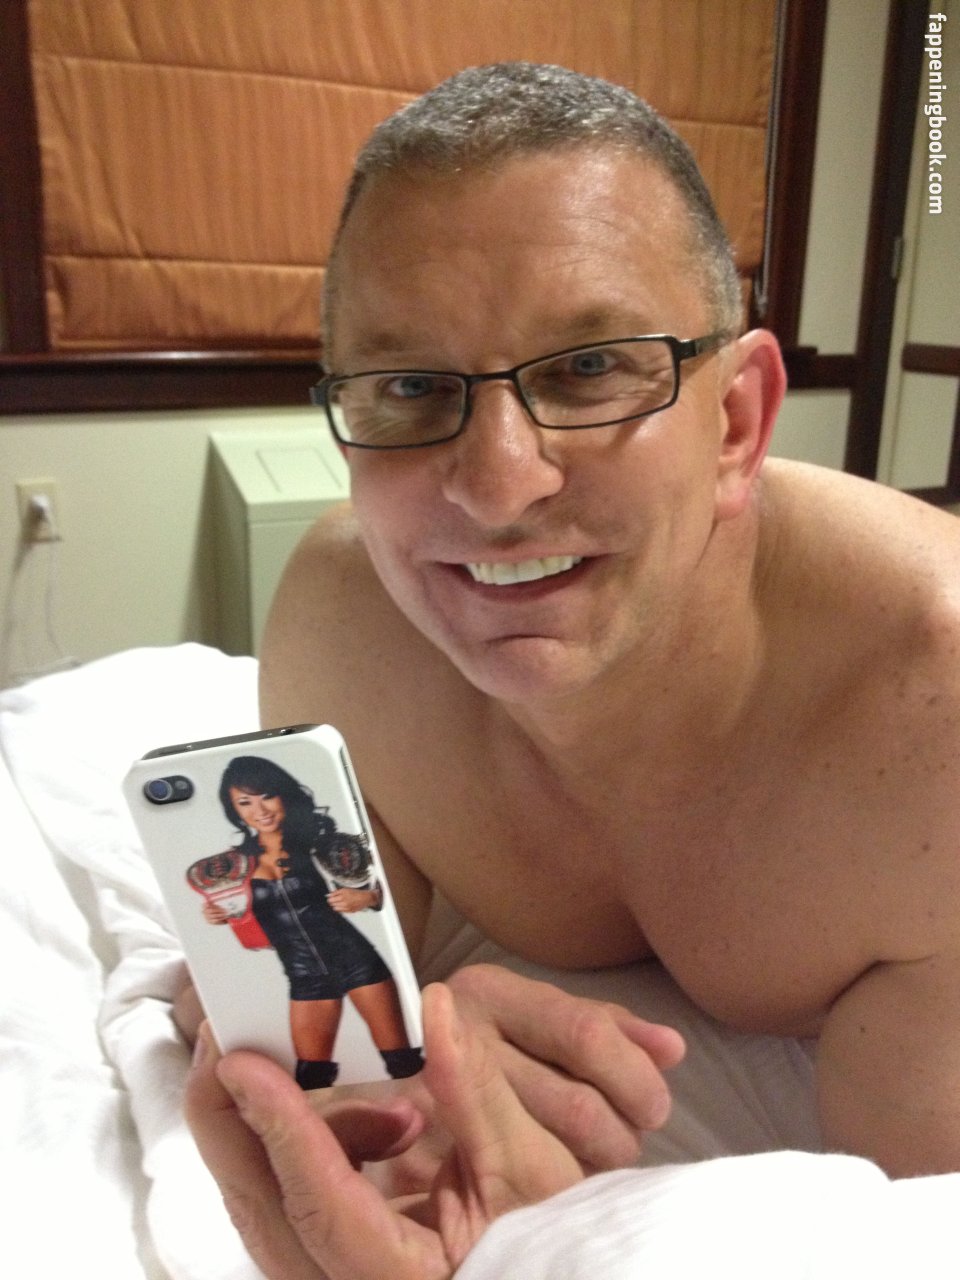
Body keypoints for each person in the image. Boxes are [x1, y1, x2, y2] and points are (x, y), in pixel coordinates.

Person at [185, 60, 960, 1276]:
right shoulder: (340, 627)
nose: (499, 486)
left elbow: (913, 1235)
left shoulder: (931, 726)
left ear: (738, 421)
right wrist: (373, 1085)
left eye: (591, 367)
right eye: (411, 386)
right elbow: (298, 1002)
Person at [205, 755, 423, 1087]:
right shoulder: (237, 866)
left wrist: (367, 898)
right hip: (304, 974)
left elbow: (383, 888)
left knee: (403, 1064)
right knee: (311, 1080)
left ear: (284, 795)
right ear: (234, 809)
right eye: (245, 802)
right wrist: (218, 915)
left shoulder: (322, 843)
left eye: (267, 796)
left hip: (358, 963)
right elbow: (239, 910)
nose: (259, 810)